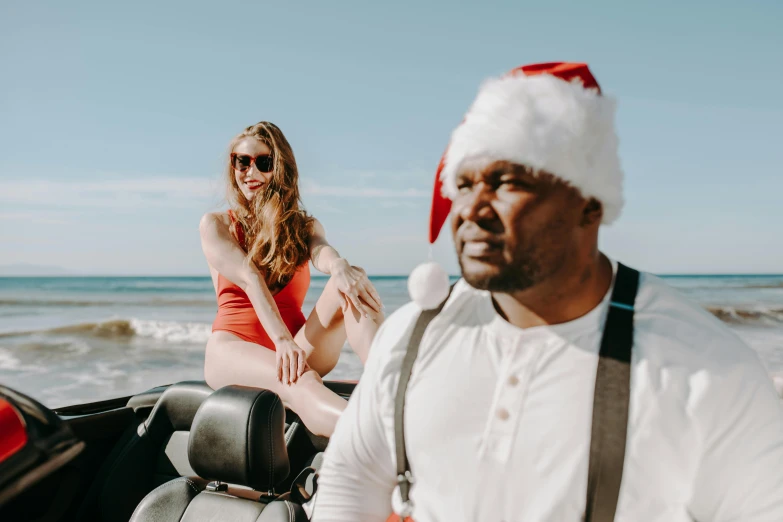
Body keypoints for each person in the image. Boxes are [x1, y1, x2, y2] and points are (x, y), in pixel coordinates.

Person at [311, 63, 783, 521]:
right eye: (464, 184)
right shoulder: (413, 335)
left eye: (507, 182)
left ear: (590, 205)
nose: (472, 207)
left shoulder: (705, 371)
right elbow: (351, 480)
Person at [200, 121, 384, 437]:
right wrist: (283, 341)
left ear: (280, 167)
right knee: (300, 380)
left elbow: (321, 250)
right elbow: (249, 278)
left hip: (296, 349)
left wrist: (339, 266)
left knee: (352, 278)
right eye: (241, 161)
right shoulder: (216, 225)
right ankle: (381, 440)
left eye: (263, 162)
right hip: (234, 349)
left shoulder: (302, 226)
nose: (250, 171)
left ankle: (388, 380)